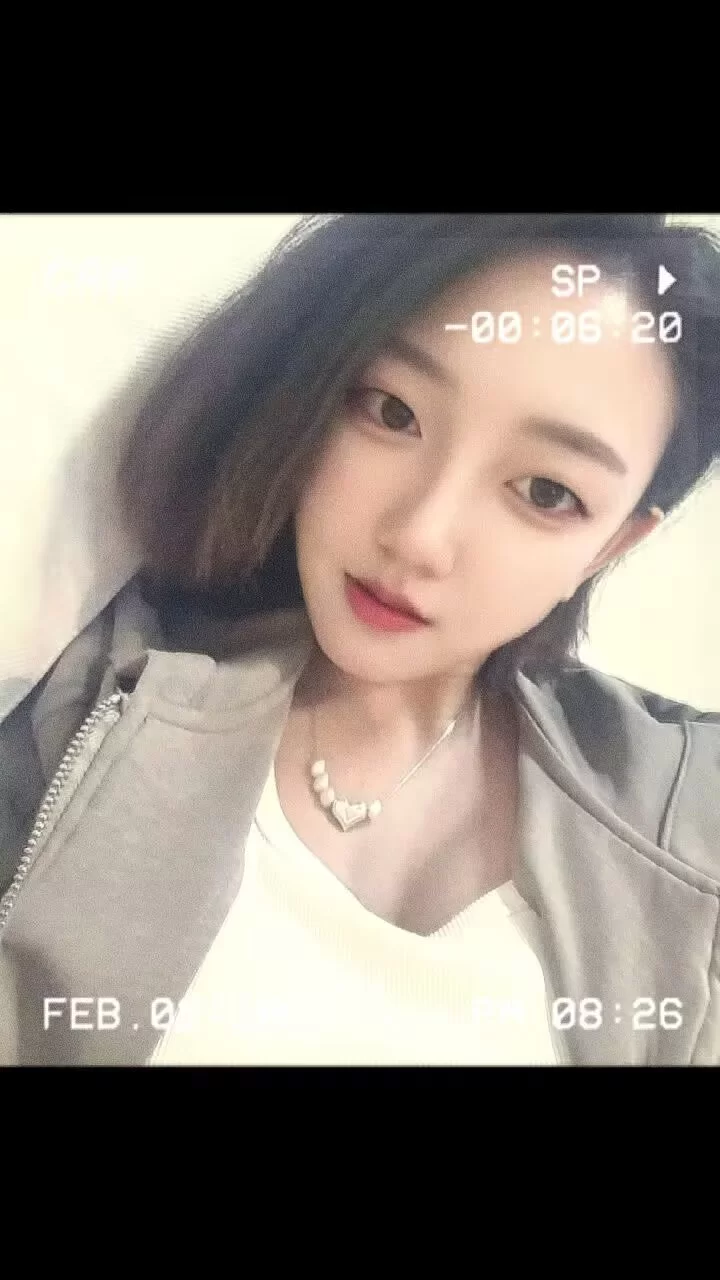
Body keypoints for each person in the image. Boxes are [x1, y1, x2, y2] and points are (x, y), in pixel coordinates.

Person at [1, 213, 719, 1067]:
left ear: (609, 547)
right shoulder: (91, 700)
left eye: (544, 491)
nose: (420, 535)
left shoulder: (688, 822)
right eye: (391, 411)